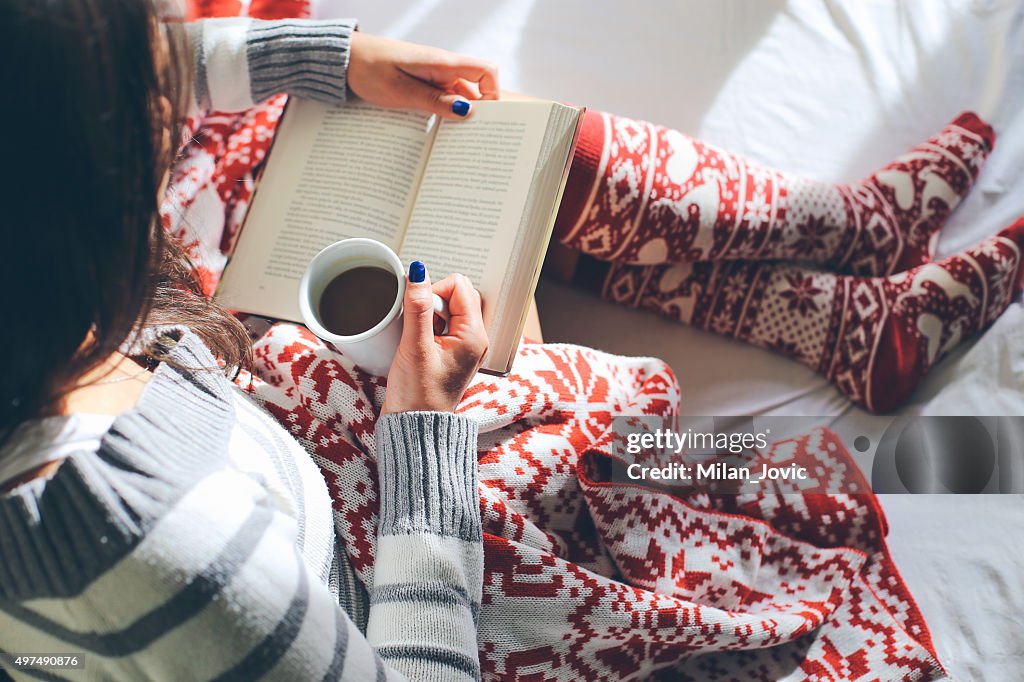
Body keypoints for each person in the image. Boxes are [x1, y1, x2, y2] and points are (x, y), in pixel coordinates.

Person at [0, 1, 1006, 680]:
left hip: (273, 420)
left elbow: (114, 76)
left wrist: (318, 58)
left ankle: (834, 288)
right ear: (72, 217)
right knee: (616, 445)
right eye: (140, 127)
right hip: (406, 564)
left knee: (439, 138)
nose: (165, 110)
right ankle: (823, 312)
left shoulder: (38, 329)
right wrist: (426, 435)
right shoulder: (153, 547)